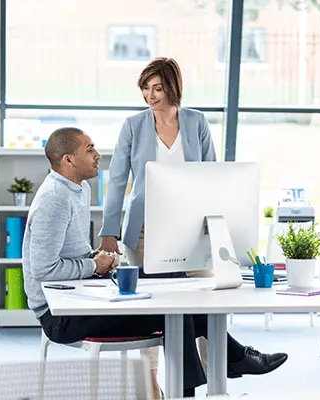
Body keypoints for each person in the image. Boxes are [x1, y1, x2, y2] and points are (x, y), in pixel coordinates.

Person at [24, 127, 287, 399]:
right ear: (68, 160)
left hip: (84, 292)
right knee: (178, 311)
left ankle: (214, 371)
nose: (98, 155)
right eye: (89, 149)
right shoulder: (54, 198)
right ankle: (226, 364)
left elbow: (70, 252)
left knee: (175, 278)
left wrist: (96, 258)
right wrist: (94, 266)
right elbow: (45, 270)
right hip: (62, 316)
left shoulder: (79, 189)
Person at [97, 57, 219, 376]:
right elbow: (118, 179)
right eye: (145, 88)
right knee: (148, 307)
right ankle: (150, 387)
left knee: (208, 302)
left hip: (190, 227)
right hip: (143, 229)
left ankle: (215, 376)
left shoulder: (196, 123)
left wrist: (214, 223)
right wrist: (109, 230)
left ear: (173, 88)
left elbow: (212, 176)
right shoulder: (133, 126)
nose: (150, 96)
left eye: (158, 88)